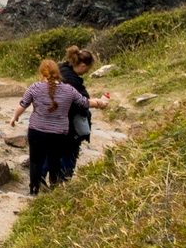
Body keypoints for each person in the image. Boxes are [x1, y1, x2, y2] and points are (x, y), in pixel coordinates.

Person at [11, 58, 89, 194]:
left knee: (36, 162)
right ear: (57, 73)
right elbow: (84, 102)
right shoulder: (69, 90)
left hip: (37, 130)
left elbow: (22, 104)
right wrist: (99, 102)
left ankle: (33, 191)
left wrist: (14, 118)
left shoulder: (35, 87)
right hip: (59, 133)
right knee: (55, 162)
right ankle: (54, 190)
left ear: (42, 74)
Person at [56, 46, 113, 181]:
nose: (87, 71)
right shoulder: (72, 80)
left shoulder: (60, 68)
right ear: (82, 65)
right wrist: (97, 103)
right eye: (87, 68)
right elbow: (77, 101)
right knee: (69, 152)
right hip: (68, 121)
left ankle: (42, 178)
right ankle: (63, 180)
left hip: (52, 117)